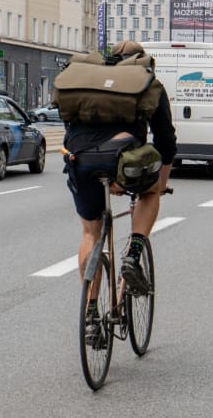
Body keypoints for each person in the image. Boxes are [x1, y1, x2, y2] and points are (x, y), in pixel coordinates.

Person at [62, 41, 177, 347]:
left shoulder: (85, 78)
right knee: (150, 192)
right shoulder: (148, 82)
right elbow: (165, 140)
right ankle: (133, 254)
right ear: (141, 62)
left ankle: (90, 314)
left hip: (81, 159)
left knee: (90, 234)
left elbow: (68, 124)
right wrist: (161, 184)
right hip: (124, 160)